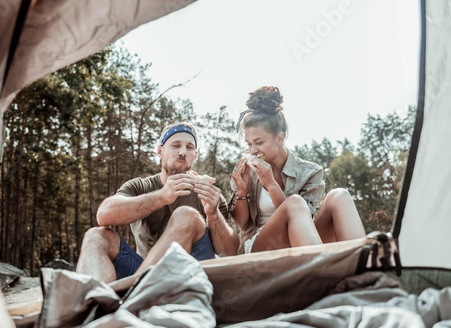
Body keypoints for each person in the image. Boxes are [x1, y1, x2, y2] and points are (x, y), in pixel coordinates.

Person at [76, 122, 239, 283]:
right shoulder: (140, 186)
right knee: (95, 236)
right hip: (143, 271)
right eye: (176, 145)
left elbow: (230, 252)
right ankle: (96, 305)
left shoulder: (208, 193)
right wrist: (162, 196)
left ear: (195, 155)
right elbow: (104, 215)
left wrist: (213, 213)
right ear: (160, 151)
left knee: (187, 215)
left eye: (189, 147)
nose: (183, 152)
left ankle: (134, 294)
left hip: (192, 272)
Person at [230, 86, 366, 254]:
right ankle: (319, 269)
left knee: (339, 195)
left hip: (303, 241)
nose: (252, 151)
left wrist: (271, 184)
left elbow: (303, 221)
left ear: (279, 138)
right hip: (261, 244)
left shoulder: (310, 172)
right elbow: (242, 224)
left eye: (259, 143)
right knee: (294, 202)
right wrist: (241, 190)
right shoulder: (247, 171)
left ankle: (362, 262)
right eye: (249, 144)